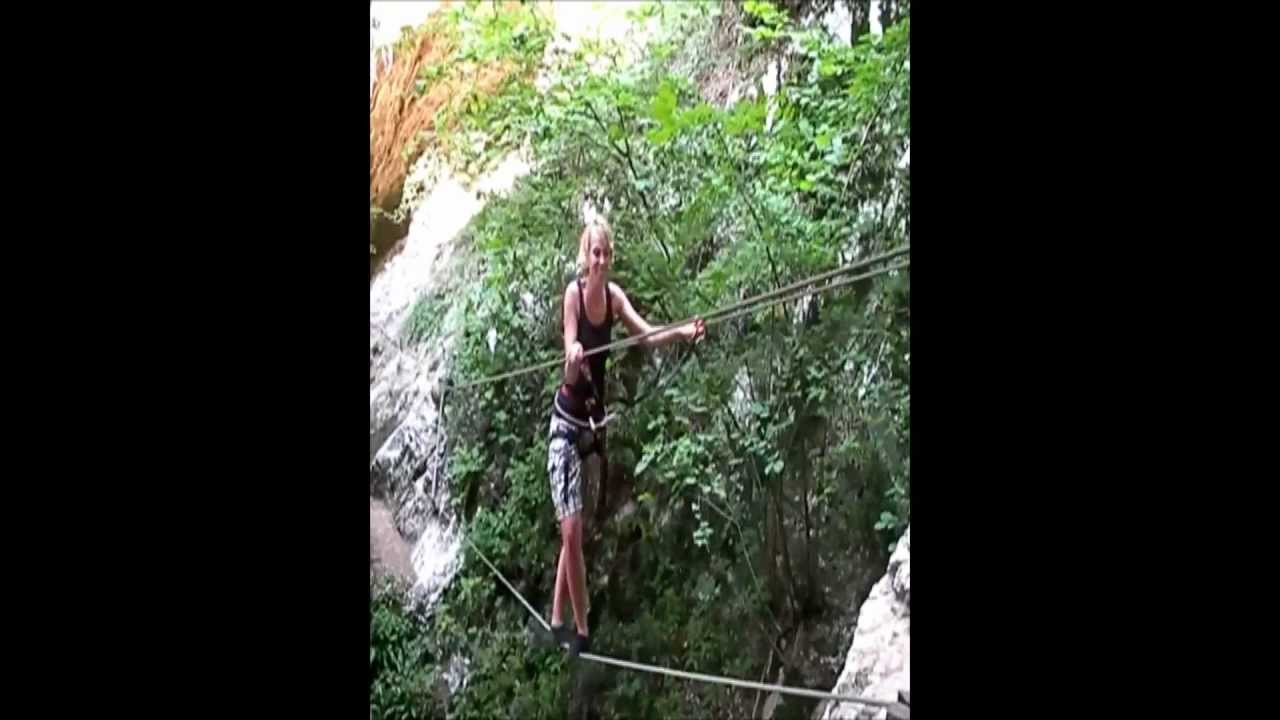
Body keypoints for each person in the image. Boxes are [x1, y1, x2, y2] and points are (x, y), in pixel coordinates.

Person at [546, 215, 705, 655]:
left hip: (592, 429)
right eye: (593, 253)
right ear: (585, 256)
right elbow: (568, 360)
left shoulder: (614, 299)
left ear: (610, 258)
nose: (599, 260)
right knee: (573, 531)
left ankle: (556, 617)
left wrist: (683, 333)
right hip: (566, 424)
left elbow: (647, 336)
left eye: (605, 254)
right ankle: (581, 631)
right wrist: (574, 358)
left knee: (572, 531)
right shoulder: (573, 297)